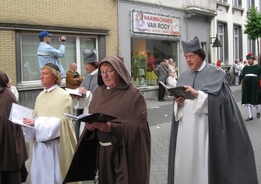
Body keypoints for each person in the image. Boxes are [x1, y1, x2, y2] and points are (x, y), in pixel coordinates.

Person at [167, 36, 258, 184]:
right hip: (186, 130)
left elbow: (223, 102)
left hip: (204, 130)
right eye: (186, 57)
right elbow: (178, 108)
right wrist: (178, 103)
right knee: (185, 162)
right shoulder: (184, 75)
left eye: (192, 56)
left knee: (202, 163)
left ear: (200, 56)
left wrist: (198, 95)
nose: (188, 60)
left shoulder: (215, 73)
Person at [64, 55, 151, 184]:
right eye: (102, 71)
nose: (105, 75)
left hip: (125, 154)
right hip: (104, 153)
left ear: (119, 71)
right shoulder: (99, 93)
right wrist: (91, 127)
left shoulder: (133, 95)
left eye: (109, 71)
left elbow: (141, 129)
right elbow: (93, 117)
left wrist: (111, 127)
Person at [22, 63, 78, 184]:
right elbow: (35, 118)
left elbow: (61, 123)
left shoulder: (63, 96)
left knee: (55, 178)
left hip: (54, 147)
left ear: (55, 77)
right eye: (41, 74)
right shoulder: (40, 96)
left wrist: (36, 123)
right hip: (39, 146)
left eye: (45, 74)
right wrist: (28, 123)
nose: (41, 77)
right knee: (39, 176)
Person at [72, 49, 99, 138]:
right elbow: (84, 99)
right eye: (85, 64)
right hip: (85, 111)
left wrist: (87, 93)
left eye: (87, 65)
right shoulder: (87, 77)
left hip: (94, 113)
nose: (85, 67)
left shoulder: (100, 77)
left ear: (94, 64)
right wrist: (78, 96)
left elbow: (100, 97)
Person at [241, 53, 261, 121]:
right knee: (248, 100)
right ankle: (250, 116)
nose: (249, 60)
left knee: (255, 99)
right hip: (246, 86)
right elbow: (243, 76)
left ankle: (258, 111)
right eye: (248, 59)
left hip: (255, 86)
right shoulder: (245, 68)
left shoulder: (258, 67)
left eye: (250, 59)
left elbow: (260, 77)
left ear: (253, 59)